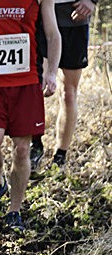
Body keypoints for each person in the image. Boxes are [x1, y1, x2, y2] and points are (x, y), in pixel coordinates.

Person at [0, 0, 61, 231]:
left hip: (27, 84)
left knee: (21, 150)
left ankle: (14, 211)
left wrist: (51, 74)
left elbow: (53, 35)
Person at [30, 0, 96, 171]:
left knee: (68, 93)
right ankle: (34, 145)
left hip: (74, 15)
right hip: (38, 11)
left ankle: (60, 156)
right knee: (36, 87)